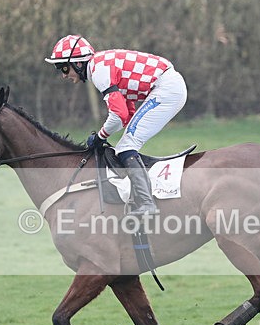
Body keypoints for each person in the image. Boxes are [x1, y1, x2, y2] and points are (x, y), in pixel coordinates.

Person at [45, 34, 187, 217]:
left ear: (78, 63)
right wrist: (106, 134)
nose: (64, 75)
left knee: (126, 146)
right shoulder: (100, 65)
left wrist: (99, 137)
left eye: (63, 67)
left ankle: (146, 202)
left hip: (166, 89)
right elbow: (126, 115)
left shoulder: (99, 72)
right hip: (167, 86)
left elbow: (118, 116)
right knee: (125, 145)